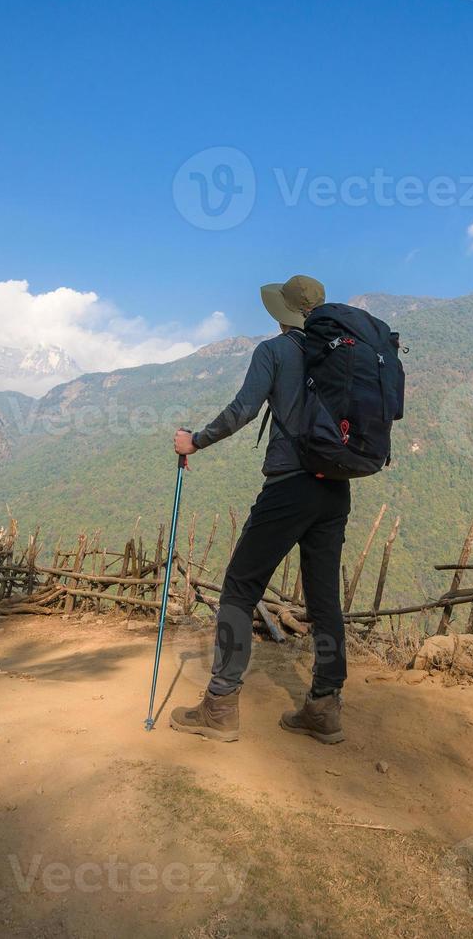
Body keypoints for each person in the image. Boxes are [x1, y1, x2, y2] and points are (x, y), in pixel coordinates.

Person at [169, 274, 351, 745]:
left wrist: (195, 440)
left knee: (238, 589)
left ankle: (221, 707)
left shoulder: (274, 352)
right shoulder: (343, 353)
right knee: (325, 600)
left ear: (282, 312)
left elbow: (242, 410)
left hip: (290, 486)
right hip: (335, 489)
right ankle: (324, 708)